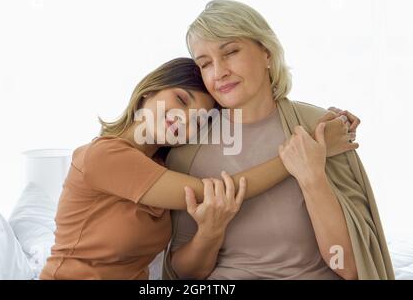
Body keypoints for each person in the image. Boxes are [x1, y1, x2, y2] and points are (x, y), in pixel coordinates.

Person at [40, 57, 354, 279]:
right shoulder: (104, 156)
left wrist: (322, 121)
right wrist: (311, 151)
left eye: (199, 120)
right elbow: (216, 192)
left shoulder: (165, 167)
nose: (184, 118)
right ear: (148, 92)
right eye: (180, 99)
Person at [163, 0, 394, 280]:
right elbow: (186, 276)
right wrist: (210, 232)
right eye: (205, 63)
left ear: (267, 53)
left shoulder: (321, 128)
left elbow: (350, 265)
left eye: (231, 52)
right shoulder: (187, 153)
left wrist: (312, 178)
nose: (218, 71)